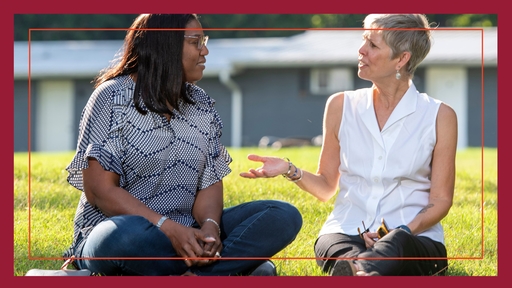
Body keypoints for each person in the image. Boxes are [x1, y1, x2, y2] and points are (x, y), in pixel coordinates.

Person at [63, 14, 302, 276]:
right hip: (120, 231)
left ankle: (197, 274)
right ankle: (231, 269)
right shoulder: (112, 97)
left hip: (189, 231)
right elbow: (100, 191)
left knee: (282, 215)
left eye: (204, 41)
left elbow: (209, 183)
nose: (205, 50)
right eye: (195, 42)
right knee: (123, 237)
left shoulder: (201, 105)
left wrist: (210, 227)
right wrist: (169, 228)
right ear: (166, 45)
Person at [240, 14, 457, 276]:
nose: (361, 50)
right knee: (333, 244)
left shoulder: (440, 116)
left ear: (402, 59)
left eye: (373, 46)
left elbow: (441, 200)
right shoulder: (340, 106)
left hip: (413, 236)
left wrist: (400, 230)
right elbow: (326, 186)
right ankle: (362, 269)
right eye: (364, 40)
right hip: (347, 230)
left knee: (395, 244)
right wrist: (288, 168)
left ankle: (357, 270)